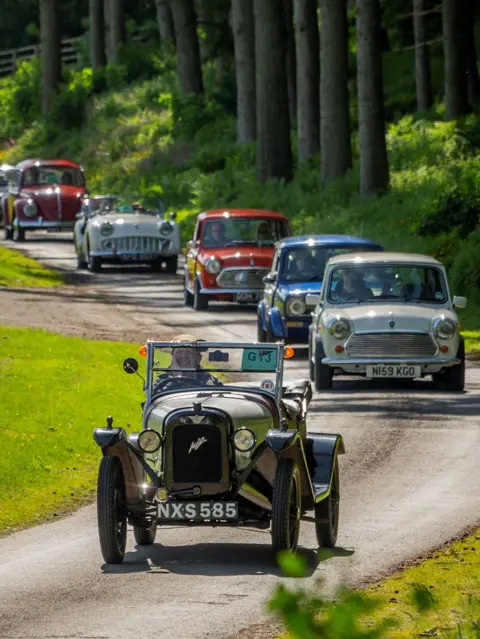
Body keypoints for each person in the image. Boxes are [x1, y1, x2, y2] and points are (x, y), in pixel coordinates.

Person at [152, 334, 222, 392]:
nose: (183, 356)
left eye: (189, 352)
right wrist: (177, 375)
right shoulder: (161, 381)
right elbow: (154, 403)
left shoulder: (211, 381)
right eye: (179, 351)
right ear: (173, 356)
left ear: (198, 358)